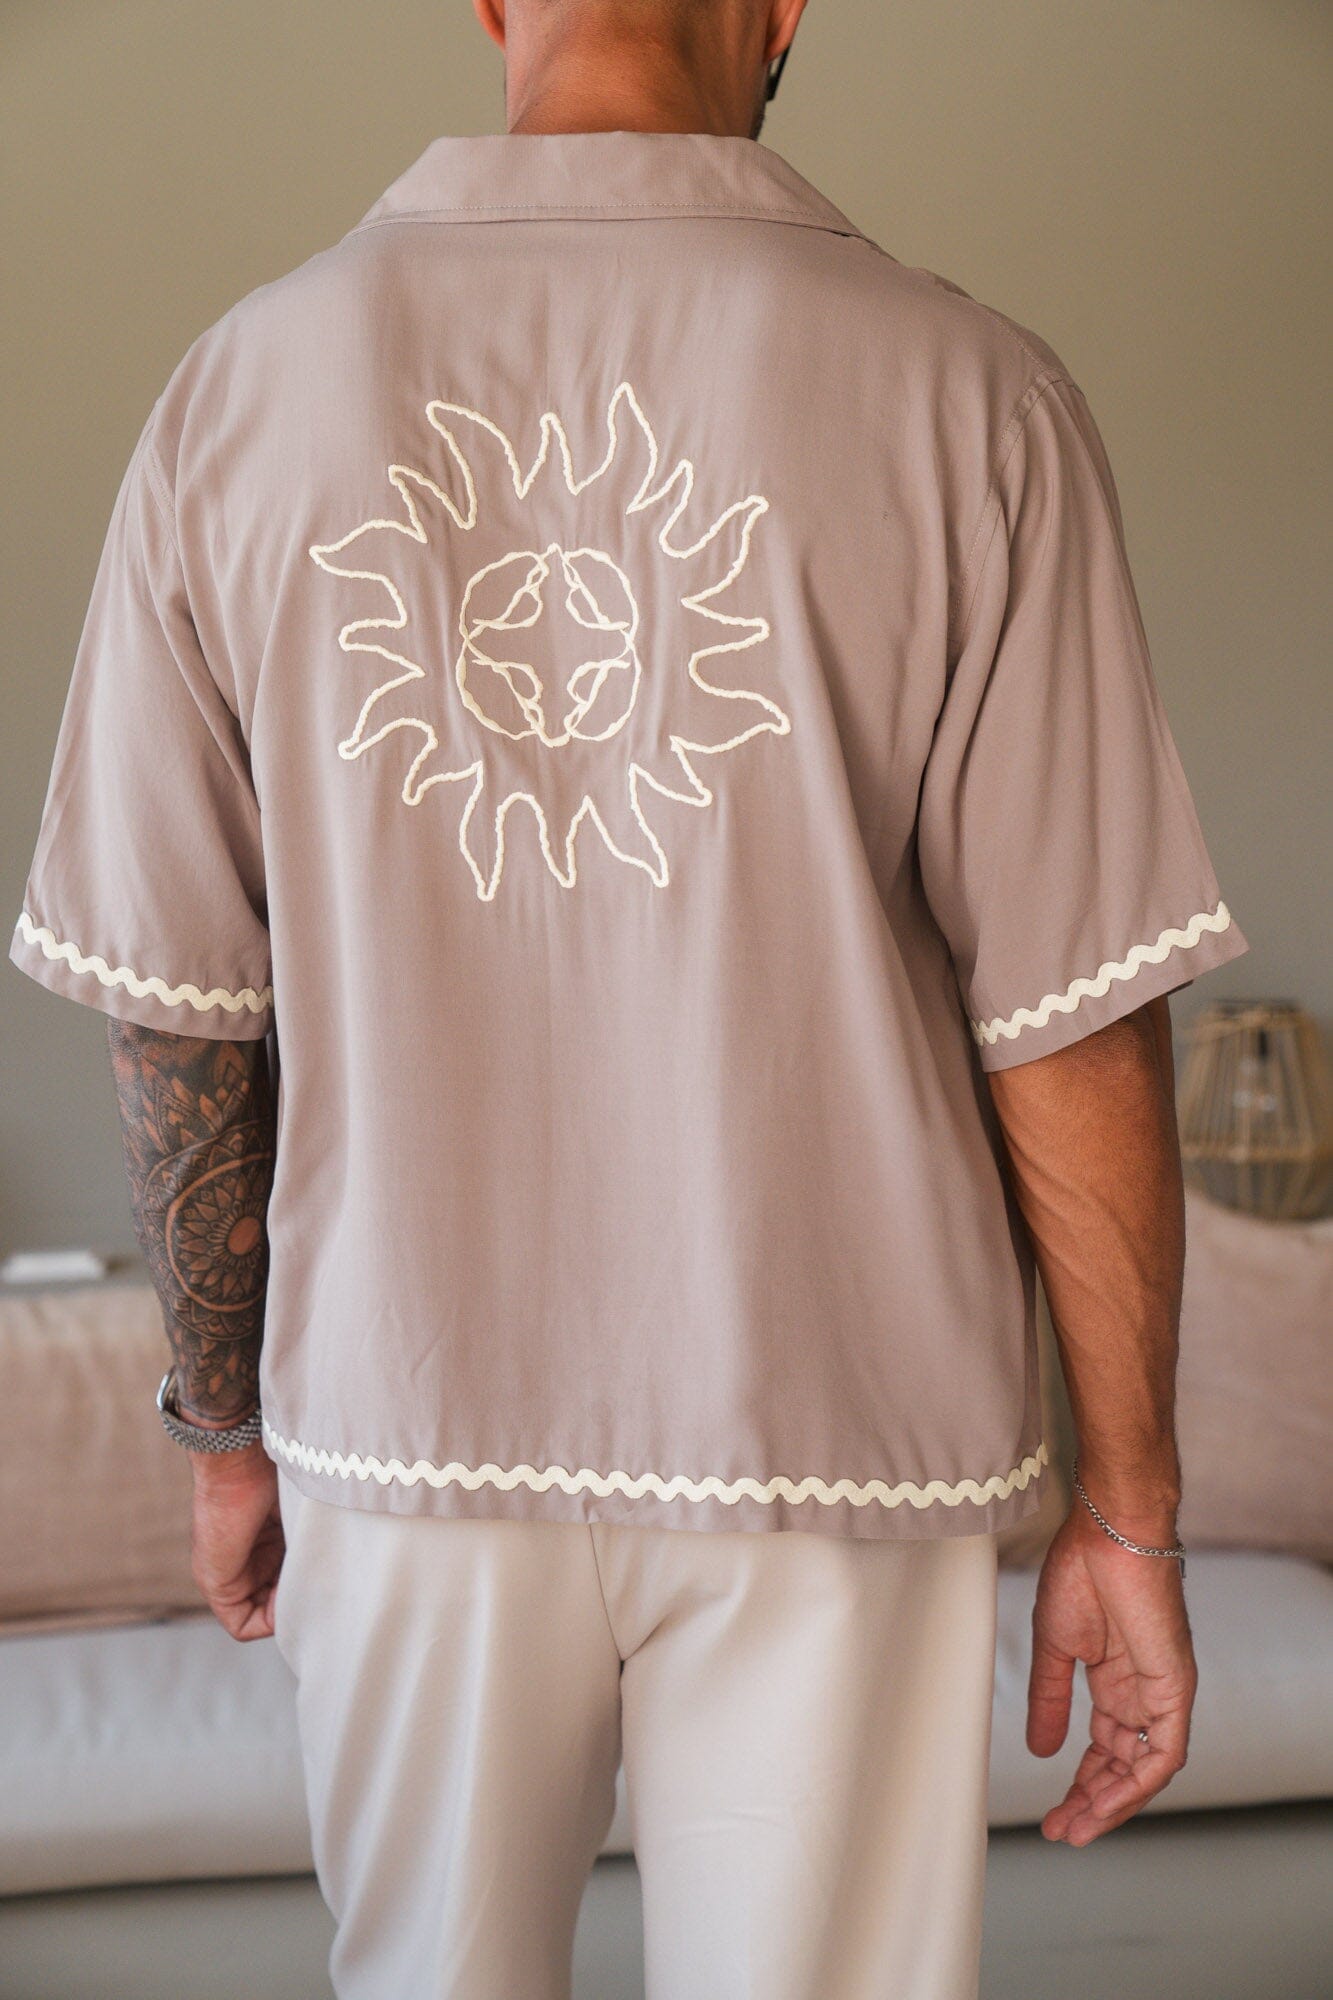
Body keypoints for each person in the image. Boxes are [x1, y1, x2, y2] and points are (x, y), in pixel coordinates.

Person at [9, 2, 1251, 1995]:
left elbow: (179, 1015)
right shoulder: (971, 395)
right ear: (782, 8)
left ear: (489, 2)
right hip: (835, 1434)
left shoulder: (241, 391)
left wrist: (225, 1428)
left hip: (406, 1420)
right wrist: (1131, 1511)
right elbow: (1070, 1009)